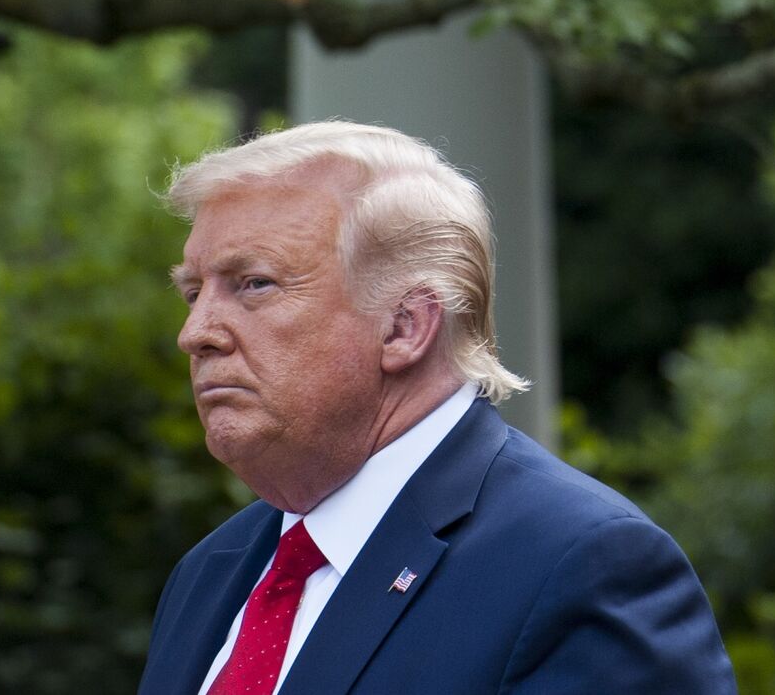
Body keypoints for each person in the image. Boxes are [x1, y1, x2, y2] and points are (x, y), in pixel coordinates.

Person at [138, 121, 736, 694]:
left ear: (405, 326)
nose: (196, 332)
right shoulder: (212, 572)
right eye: (193, 292)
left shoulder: (581, 564)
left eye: (254, 284)